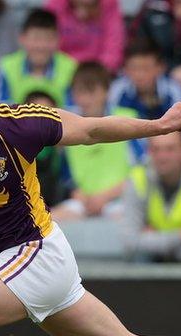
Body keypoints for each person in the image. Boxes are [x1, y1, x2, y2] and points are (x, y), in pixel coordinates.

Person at [0, 37, 181, 336]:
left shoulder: (13, 126)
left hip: (35, 255)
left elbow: (91, 130)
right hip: (23, 262)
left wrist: (158, 126)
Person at [52, 62, 134, 220]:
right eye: (79, 92)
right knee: (50, 220)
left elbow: (141, 171)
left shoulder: (128, 119)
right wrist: (78, 194)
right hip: (83, 202)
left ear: (106, 91)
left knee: (125, 220)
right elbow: (65, 175)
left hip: (121, 199)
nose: (84, 99)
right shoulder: (66, 124)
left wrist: (104, 197)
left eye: (91, 92)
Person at [122, 132, 181, 263]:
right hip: (152, 259)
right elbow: (130, 242)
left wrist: (153, 239)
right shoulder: (138, 177)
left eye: (170, 149)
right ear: (148, 152)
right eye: (156, 149)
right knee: (138, 258)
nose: (162, 157)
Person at [0, 8, 77, 107]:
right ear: (22, 38)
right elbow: (1, 111)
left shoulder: (71, 68)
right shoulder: (6, 67)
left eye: (48, 38)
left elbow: (74, 110)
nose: (41, 46)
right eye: (36, 38)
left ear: (58, 40)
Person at [45, 0, 125, 73]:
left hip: (97, 72)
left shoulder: (109, 5)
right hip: (62, 70)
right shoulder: (56, 4)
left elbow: (114, 47)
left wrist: (97, 71)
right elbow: (48, 42)